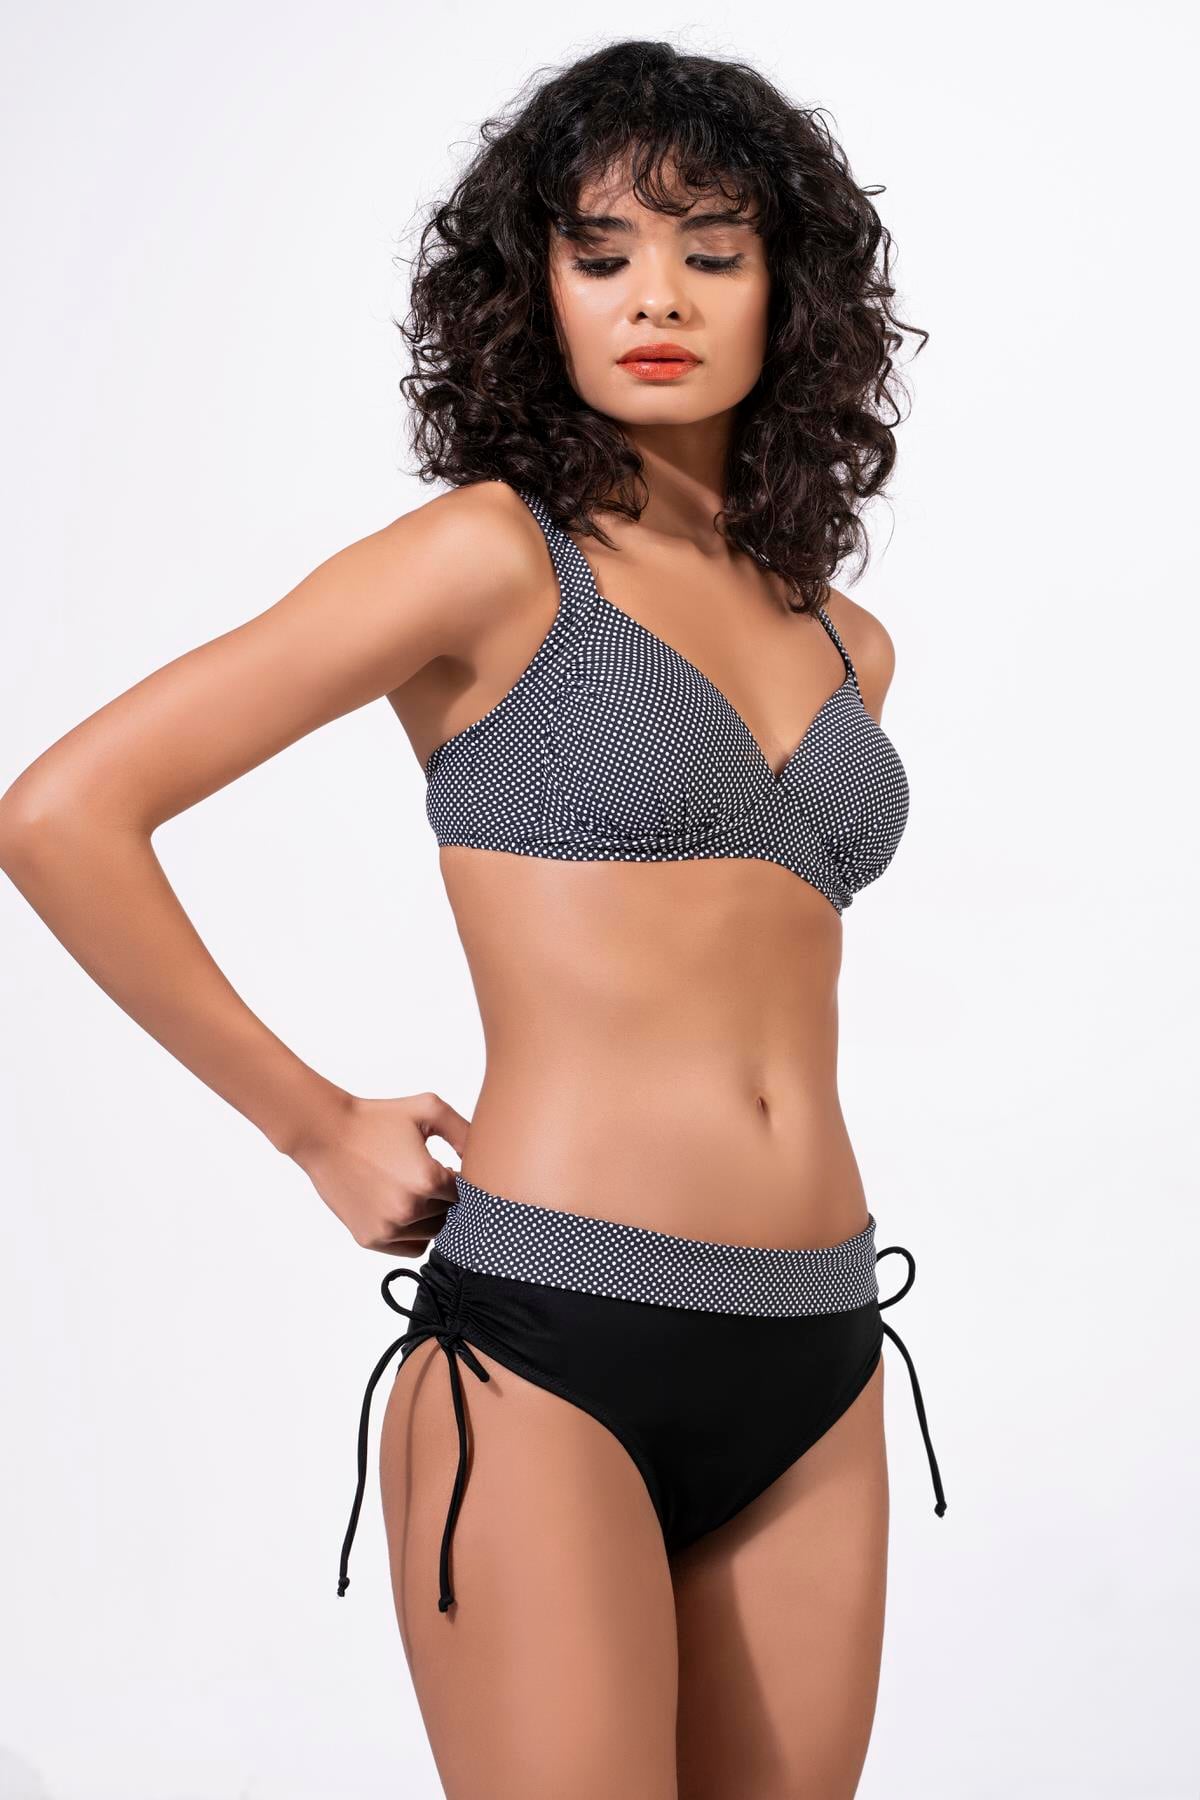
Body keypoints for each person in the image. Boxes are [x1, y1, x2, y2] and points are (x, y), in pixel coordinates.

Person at [0, 38, 946, 1800]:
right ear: (536, 290)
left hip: (817, 1349)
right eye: (602, 253)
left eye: (712, 252)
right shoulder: (493, 559)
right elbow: (62, 815)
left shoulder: (845, 642)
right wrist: (310, 1123)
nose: (656, 296)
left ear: (789, 294)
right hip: (550, 1346)